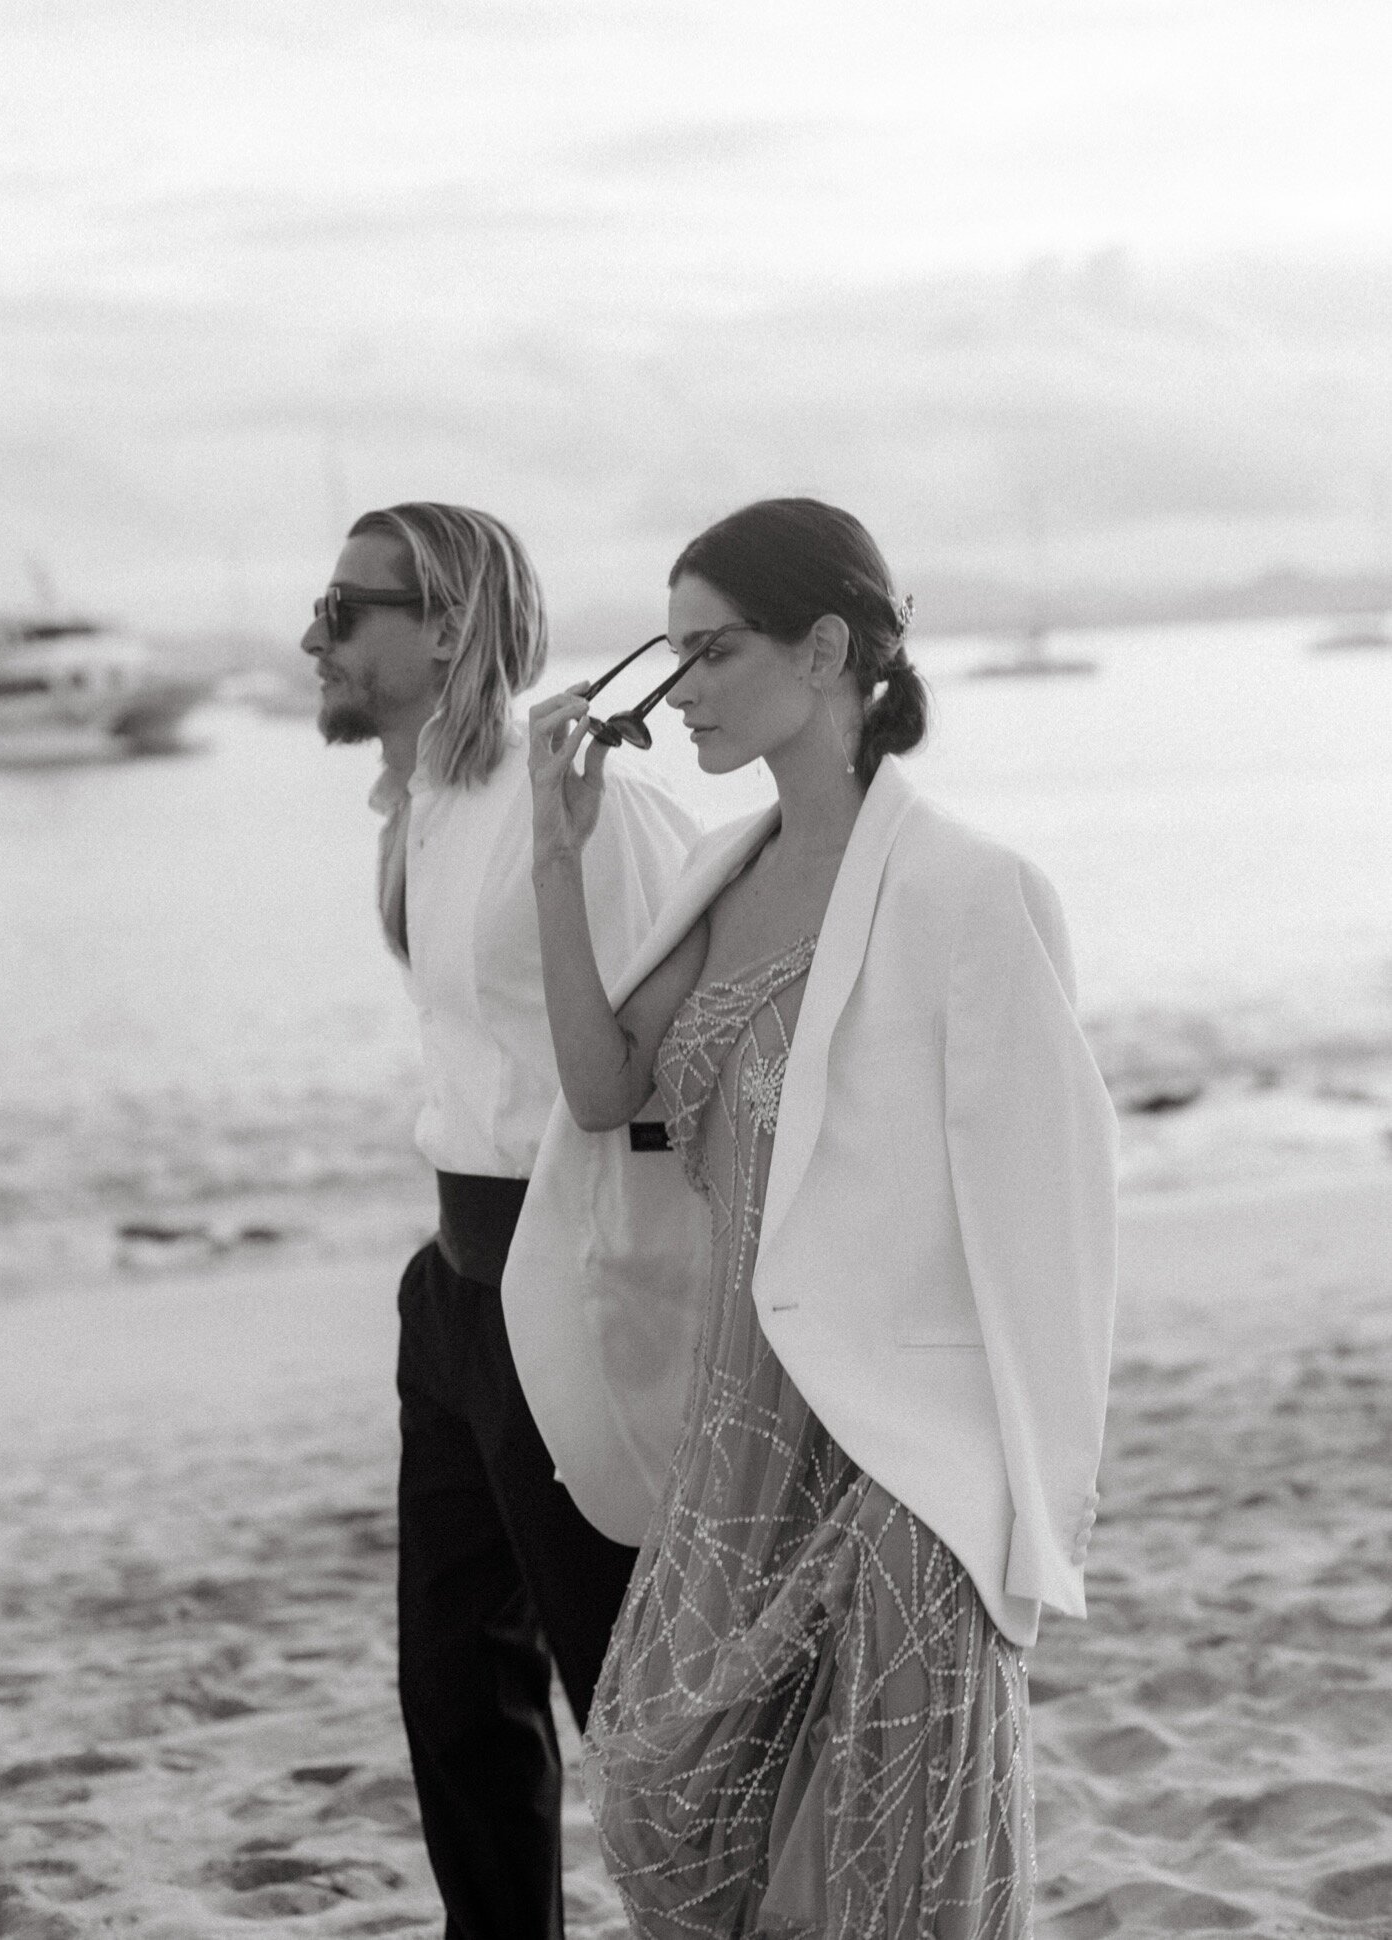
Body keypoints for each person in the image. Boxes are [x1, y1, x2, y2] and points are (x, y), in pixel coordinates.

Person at [508, 498, 1117, 1935]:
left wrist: (1028, 1514)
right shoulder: (725, 874)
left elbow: (1054, 1217)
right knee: (668, 1800)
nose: (683, 694)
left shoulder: (972, 891)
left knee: (882, 1864)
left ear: (828, 647)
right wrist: (556, 846)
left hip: (903, 1460)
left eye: (711, 652)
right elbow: (603, 1093)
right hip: (738, 1437)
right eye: (669, 660)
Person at [302, 501, 698, 1940]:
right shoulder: (417, 803)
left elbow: (691, 1053)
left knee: (623, 1689)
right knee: (454, 1683)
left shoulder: (580, 799)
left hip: (571, 1282)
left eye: (350, 611)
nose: (315, 638)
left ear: (449, 622)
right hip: (452, 1288)